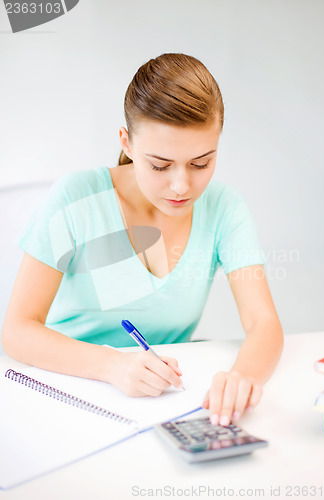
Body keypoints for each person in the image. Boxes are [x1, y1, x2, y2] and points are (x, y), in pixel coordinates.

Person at [1, 53, 283, 427]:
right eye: (160, 165)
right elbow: (18, 331)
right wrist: (112, 366)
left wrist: (242, 378)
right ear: (127, 144)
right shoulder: (75, 198)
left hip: (159, 403)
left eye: (201, 163)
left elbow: (264, 322)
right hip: (65, 393)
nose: (182, 186)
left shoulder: (224, 208)